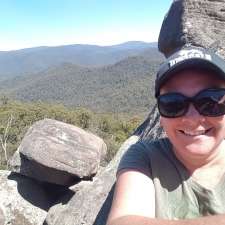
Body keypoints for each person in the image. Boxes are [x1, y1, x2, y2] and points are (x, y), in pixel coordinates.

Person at [106, 46, 225, 225]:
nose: (193, 118)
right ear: (160, 117)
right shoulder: (146, 158)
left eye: (211, 101)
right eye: (173, 104)